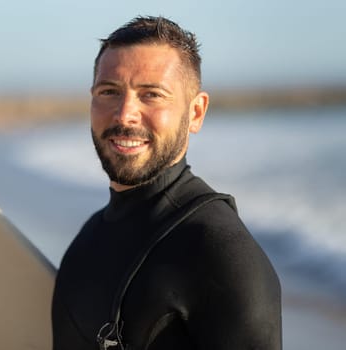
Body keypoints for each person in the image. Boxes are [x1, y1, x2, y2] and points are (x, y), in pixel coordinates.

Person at [51, 16, 282, 350]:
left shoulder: (221, 253)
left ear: (196, 113)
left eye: (152, 95)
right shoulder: (88, 237)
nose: (124, 114)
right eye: (109, 91)